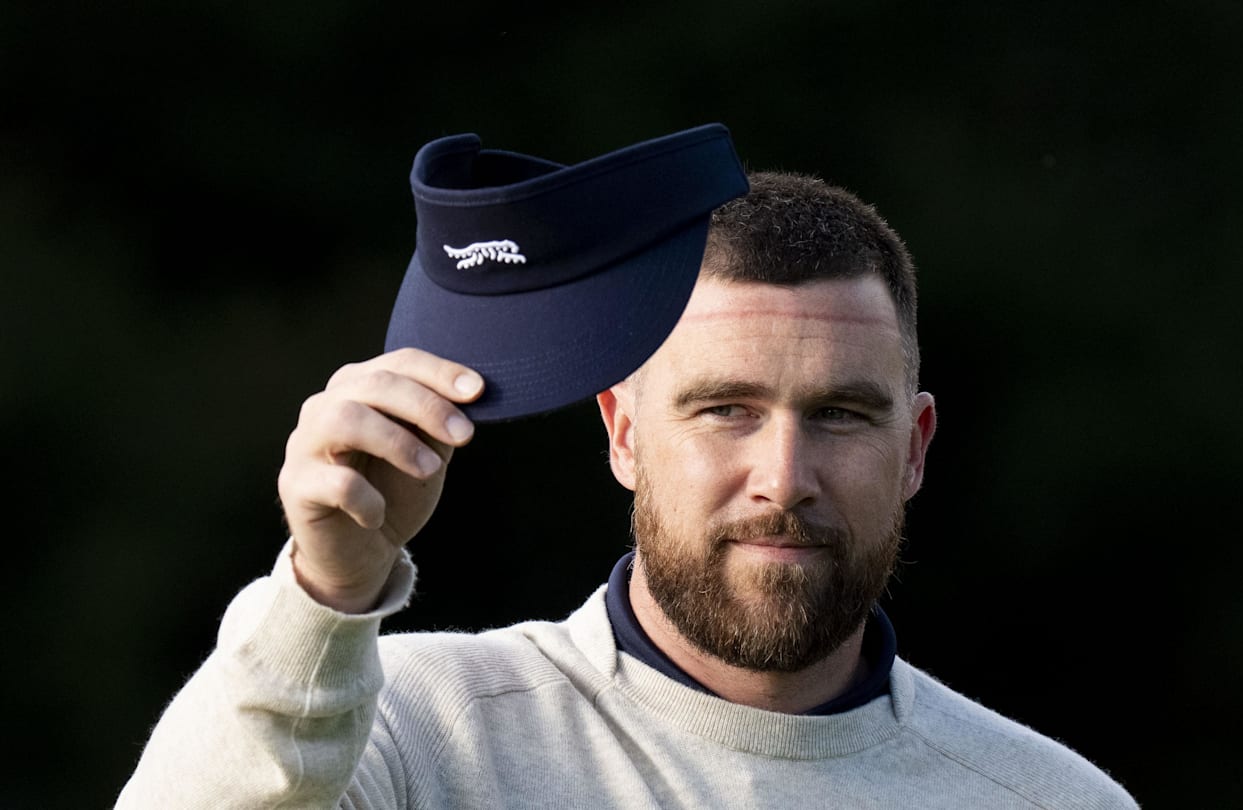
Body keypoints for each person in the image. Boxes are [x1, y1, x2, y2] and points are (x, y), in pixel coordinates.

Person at [118, 172, 1138, 808]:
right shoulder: (419, 732)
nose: (781, 481)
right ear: (623, 433)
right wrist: (326, 597)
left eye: (839, 415)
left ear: (913, 449)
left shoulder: (1050, 799)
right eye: (725, 409)